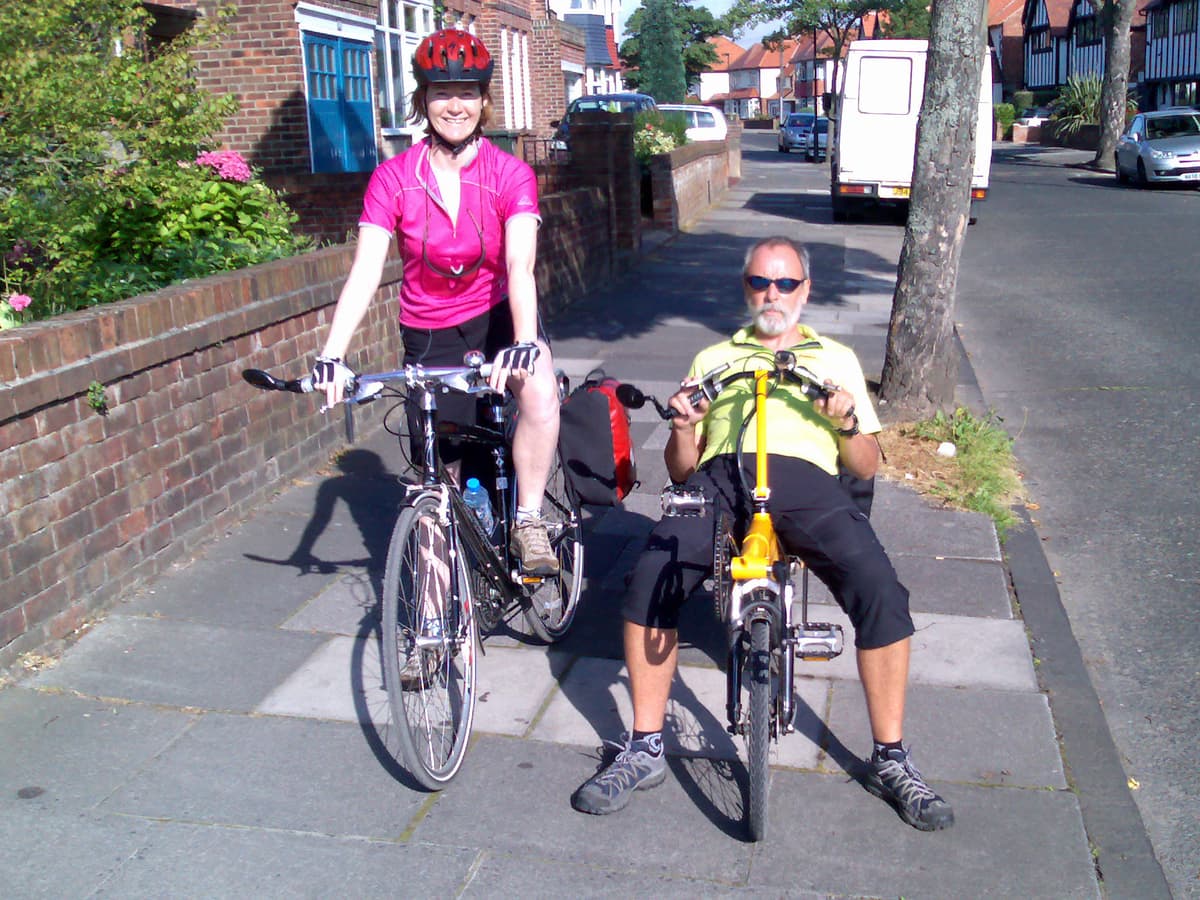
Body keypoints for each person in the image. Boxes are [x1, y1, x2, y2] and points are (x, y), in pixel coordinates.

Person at [570, 236, 954, 832]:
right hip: (723, 476)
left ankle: (891, 758)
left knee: (880, 588)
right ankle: (644, 747)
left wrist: (846, 420)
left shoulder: (835, 359)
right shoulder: (713, 358)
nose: (771, 294)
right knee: (649, 577)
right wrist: (682, 427)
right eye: (759, 282)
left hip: (807, 482)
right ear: (744, 288)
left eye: (785, 283)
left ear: (806, 290)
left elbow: (867, 465)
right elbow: (679, 468)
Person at [309, 29, 561, 575]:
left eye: (467, 92)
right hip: (428, 329)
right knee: (434, 484)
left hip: (498, 318)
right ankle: (431, 632)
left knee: (540, 391)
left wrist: (522, 342)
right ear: (422, 99)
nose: (455, 104)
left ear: (483, 100)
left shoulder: (509, 174)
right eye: (441, 91)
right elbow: (365, 270)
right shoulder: (393, 179)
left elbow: (520, 265)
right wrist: (332, 353)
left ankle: (529, 518)